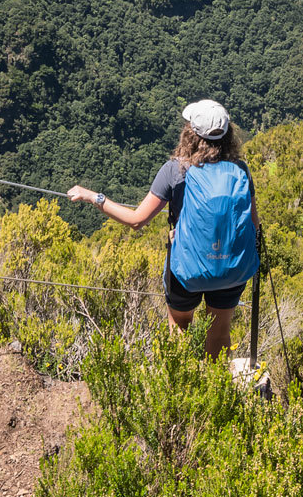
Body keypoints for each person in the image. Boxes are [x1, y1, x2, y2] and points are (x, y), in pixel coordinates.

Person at [67, 98, 258, 357]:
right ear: (228, 136)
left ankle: (179, 387)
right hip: (230, 269)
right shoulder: (240, 170)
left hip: (186, 269)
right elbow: (253, 224)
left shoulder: (175, 170)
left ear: (190, 133)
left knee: (179, 326)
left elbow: (136, 220)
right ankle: (214, 390)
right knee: (220, 331)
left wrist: (95, 198)